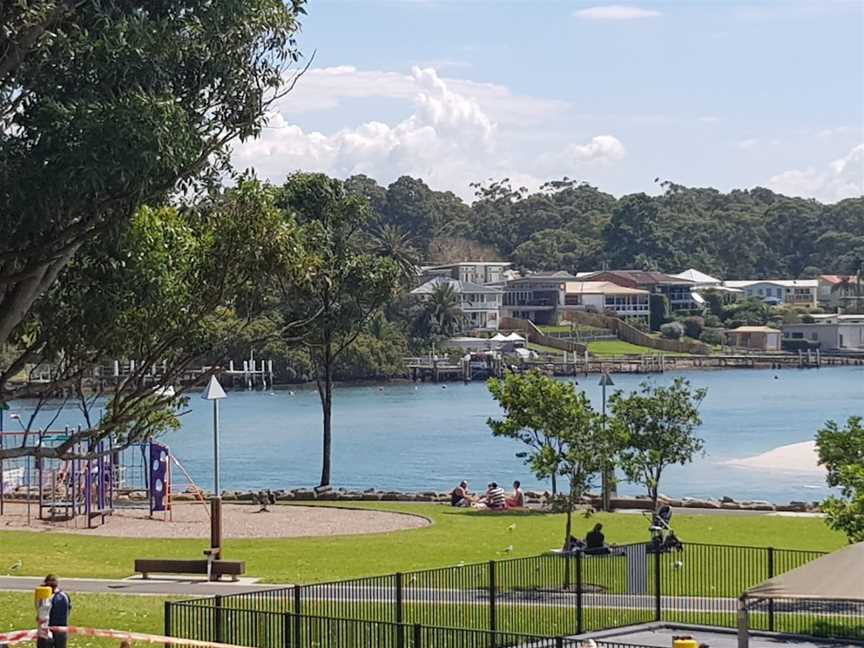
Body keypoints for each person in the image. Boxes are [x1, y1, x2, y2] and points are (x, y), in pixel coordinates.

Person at [38, 575, 71, 648]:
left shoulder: (48, 598)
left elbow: (42, 611)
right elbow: (69, 609)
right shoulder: (65, 595)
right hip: (62, 628)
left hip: (48, 628)